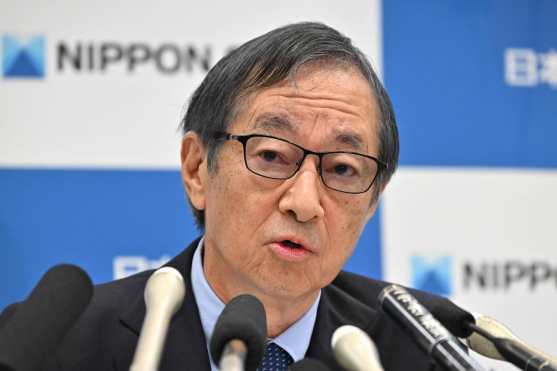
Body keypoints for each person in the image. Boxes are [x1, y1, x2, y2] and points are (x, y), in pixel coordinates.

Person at [38, 22, 449, 370]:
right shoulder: (64, 345)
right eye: (271, 155)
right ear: (198, 168)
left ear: (374, 199)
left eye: (342, 168)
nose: (304, 203)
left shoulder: (421, 351)